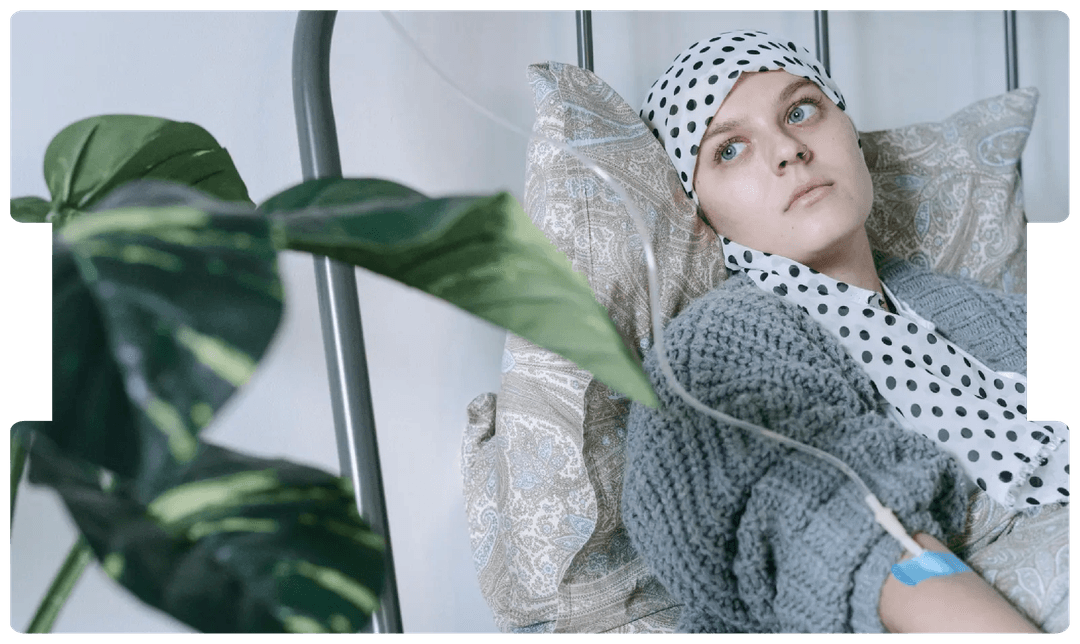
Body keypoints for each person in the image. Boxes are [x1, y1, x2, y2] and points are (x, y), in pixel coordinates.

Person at [620, 29, 1069, 634]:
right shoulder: (712, 355)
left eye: (800, 111)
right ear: (702, 218)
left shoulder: (986, 312)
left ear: (850, 133)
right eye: (728, 149)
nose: (787, 150)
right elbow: (832, 530)